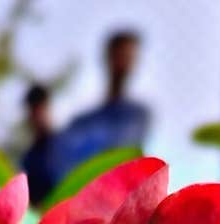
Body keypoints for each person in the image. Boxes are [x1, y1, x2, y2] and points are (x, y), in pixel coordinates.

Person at [60, 30, 151, 168]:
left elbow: (124, 151)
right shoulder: (82, 121)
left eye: (130, 57)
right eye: (122, 55)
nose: (125, 62)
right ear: (108, 57)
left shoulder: (138, 115)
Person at [21, 83, 61, 205]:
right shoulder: (29, 158)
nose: (38, 115)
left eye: (41, 108)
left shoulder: (65, 147)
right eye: (33, 110)